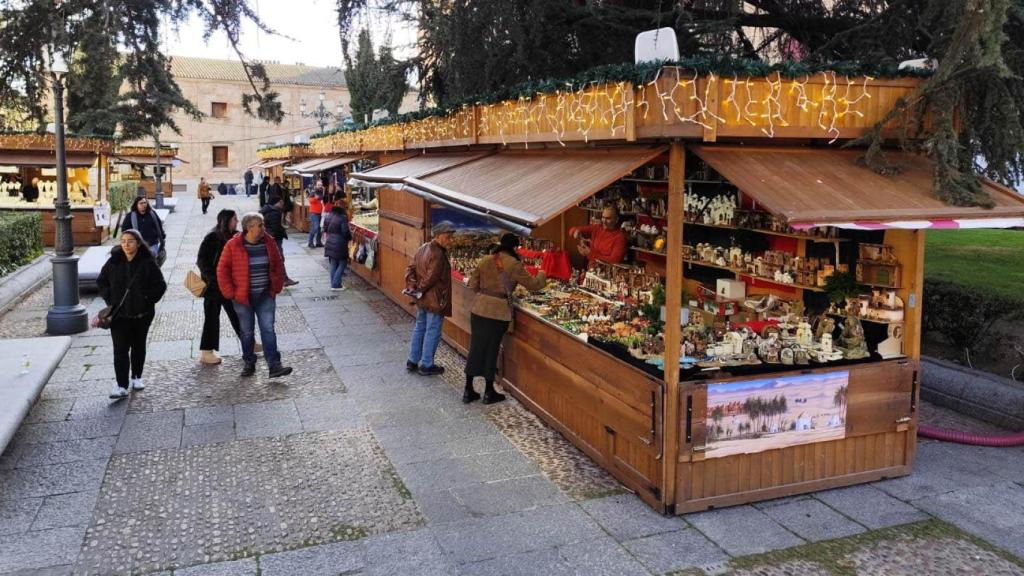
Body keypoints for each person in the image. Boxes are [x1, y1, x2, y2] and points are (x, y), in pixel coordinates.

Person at [464, 233, 547, 403]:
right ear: (515, 248)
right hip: (498, 312)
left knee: (476, 348)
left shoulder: (485, 259)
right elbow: (533, 285)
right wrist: (543, 273)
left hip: (479, 309)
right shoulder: (514, 264)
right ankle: (488, 392)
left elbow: (473, 285)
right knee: (491, 350)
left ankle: (468, 389)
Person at [217, 212, 293, 378]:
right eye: (260, 226)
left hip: (265, 294)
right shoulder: (233, 245)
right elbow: (222, 270)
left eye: (263, 225)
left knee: (268, 329)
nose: (263, 229)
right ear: (248, 228)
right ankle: (249, 362)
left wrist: (276, 287)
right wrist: (231, 293)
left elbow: (278, 264)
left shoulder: (268, 242)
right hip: (243, 298)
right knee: (247, 332)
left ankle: (274, 365)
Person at [97, 229, 167, 399]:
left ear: (138, 243)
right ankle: (121, 385)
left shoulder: (147, 262)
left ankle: (136, 376)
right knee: (120, 349)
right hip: (119, 315)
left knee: (138, 345)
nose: (126, 245)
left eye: (130, 241)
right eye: (123, 241)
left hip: (141, 314)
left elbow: (160, 285)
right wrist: (110, 299)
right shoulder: (114, 261)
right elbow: (101, 281)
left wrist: (146, 299)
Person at [404, 223, 454, 376]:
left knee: (420, 327)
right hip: (434, 299)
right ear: (438, 236)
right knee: (432, 330)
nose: (450, 240)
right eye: (447, 237)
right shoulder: (438, 254)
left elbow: (410, 269)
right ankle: (426, 364)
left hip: (423, 299)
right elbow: (431, 278)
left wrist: (414, 287)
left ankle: (412, 360)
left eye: (451, 237)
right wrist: (419, 289)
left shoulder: (423, 248)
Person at [197, 209, 245, 365]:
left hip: (230, 286)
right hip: (214, 288)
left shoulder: (236, 236)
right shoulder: (213, 237)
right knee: (211, 318)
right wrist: (212, 280)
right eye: (234, 219)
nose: (236, 221)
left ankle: (248, 343)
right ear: (226, 221)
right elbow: (202, 260)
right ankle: (206, 352)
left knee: (238, 315)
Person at [260, 196, 299, 286]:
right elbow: (275, 227)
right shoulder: (275, 212)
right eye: (280, 202)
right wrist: (281, 232)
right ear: (276, 203)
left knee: (277, 259)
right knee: (279, 259)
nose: (282, 204)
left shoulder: (267, 210)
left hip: (270, 238)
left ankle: (283, 279)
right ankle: (284, 279)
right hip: (275, 239)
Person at [121, 196, 166, 260]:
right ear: (136, 205)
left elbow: (159, 226)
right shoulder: (130, 216)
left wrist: (162, 236)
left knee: (150, 259)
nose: (143, 205)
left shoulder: (152, 213)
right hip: (138, 246)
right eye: (141, 203)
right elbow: (124, 231)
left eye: (145, 203)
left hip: (152, 243)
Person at [323, 205, 351, 290]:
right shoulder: (342, 218)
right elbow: (345, 231)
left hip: (330, 241)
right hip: (340, 243)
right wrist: (350, 237)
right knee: (343, 262)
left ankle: (333, 283)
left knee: (333, 263)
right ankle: (336, 284)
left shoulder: (328, 216)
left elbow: (325, 229)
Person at [307, 182, 325, 248]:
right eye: (318, 185)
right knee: (315, 227)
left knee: (320, 228)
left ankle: (318, 242)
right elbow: (310, 200)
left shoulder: (322, 191)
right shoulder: (313, 192)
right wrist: (316, 198)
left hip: (321, 212)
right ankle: (310, 242)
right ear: (316, 185)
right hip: (314, 212)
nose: (320, 186)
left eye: (321, 185)